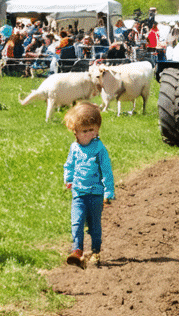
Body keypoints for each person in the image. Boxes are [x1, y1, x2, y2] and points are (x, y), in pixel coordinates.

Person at [63, 102, 115, 268]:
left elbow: (106, 171)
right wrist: (68, 178)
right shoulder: (74, 148)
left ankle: (95, 251)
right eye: (85, 131)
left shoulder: (100, 149)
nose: (89, 134)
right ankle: (77, 251)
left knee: (94, 227)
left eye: (92, 130)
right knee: (76, 222)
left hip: (96, 195)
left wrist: (109, 192)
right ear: (75, 132)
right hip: (79, 193)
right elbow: (69, 165)